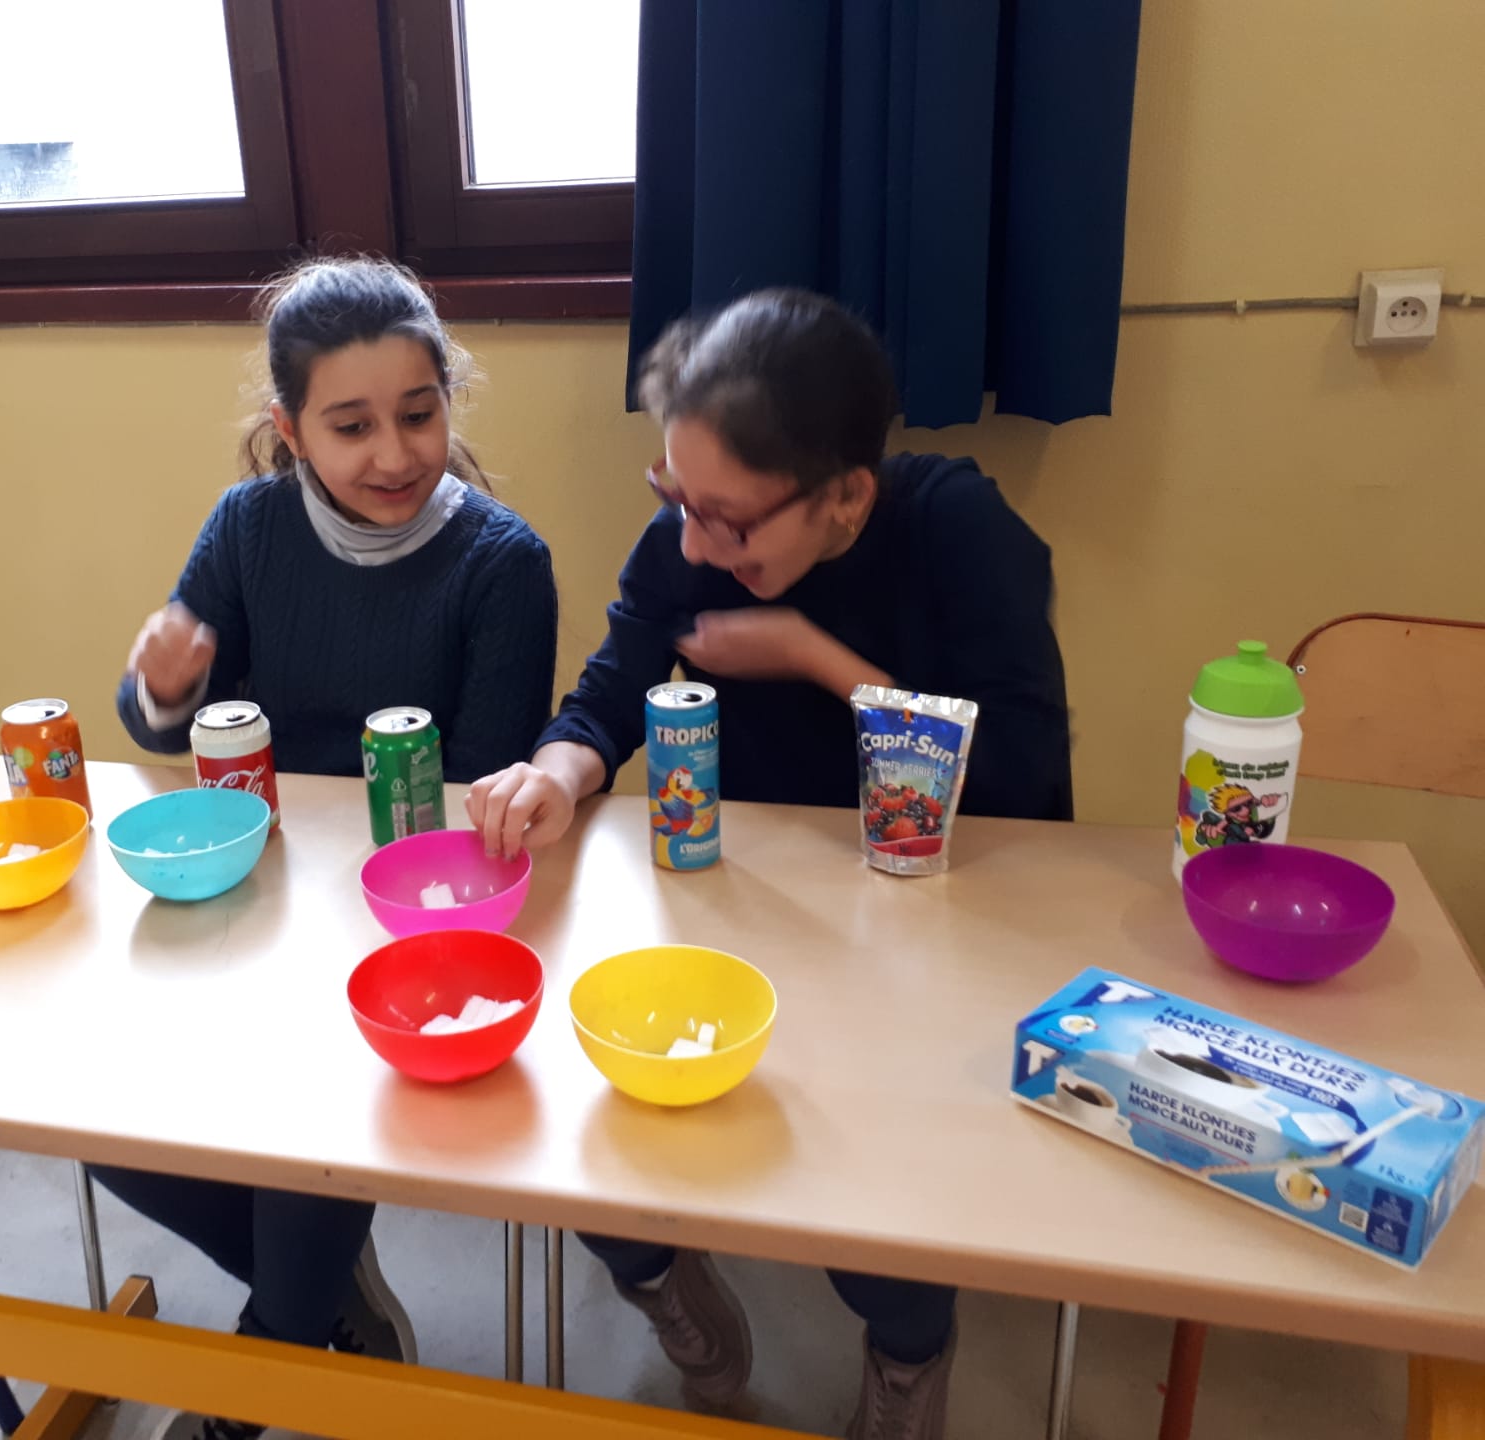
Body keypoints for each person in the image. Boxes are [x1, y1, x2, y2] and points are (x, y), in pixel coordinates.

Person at [467, 289, 1070, 1440]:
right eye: (673, 499)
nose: (694, 544)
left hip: (927, 912)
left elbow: (1018, 782)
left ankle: (906, 1353)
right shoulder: (690, 532)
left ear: (845, 495)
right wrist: (553, 772)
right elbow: (609, 694)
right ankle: (660, 1277)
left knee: (877, 1207)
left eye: (729, 521)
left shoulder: (955, 531)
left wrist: (812, 656)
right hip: (732, 900)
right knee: (586, 1139)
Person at [99, 257, 560, 1440]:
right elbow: (163, 724)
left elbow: (483, 787)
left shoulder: (503, 562)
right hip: (254, 887)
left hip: (409, 912)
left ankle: (273, 1350)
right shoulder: (247, 526)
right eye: (350, 426)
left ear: (449, 400)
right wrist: (163, 687)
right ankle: (313, 1297)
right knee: (100, 1116)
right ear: (290, 428)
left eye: (418, 413)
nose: (394, 454)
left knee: (323, 1106)